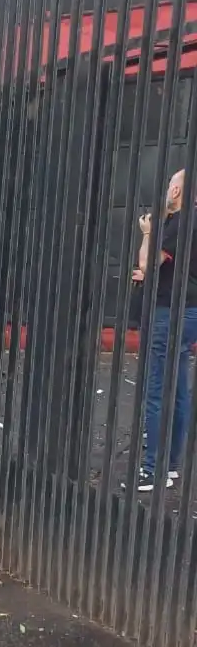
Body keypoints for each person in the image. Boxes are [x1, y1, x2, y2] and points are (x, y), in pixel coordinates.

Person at [131, 169, 197, 491]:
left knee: (157, 387)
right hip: (190, 310)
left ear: (176, 191)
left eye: (171, 184)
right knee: (180, 387)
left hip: (169, 310)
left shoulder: (178, 222)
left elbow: (148, 263)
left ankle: (151, 469)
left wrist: (147, 232)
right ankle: (170, 466)